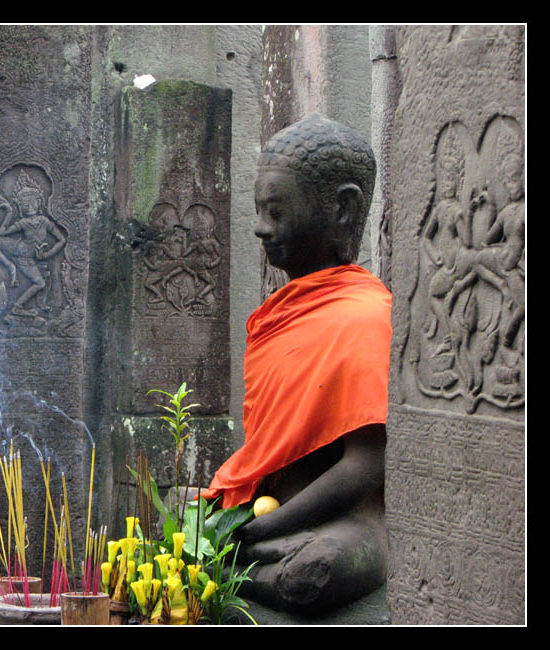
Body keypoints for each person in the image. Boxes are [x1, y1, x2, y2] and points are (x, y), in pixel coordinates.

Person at [201, 114, 391, 614]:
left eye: (277, 211)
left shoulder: (367, 317)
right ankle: (240, 564)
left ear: (342, 209)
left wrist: (267, 528)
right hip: (273, 516)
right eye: (259, 209)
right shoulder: (280, 315)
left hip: (345, 522)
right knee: (180, 532)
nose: (260, 228)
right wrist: (250, 523)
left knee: (316, 571)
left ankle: (239, 570)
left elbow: (368, 462)